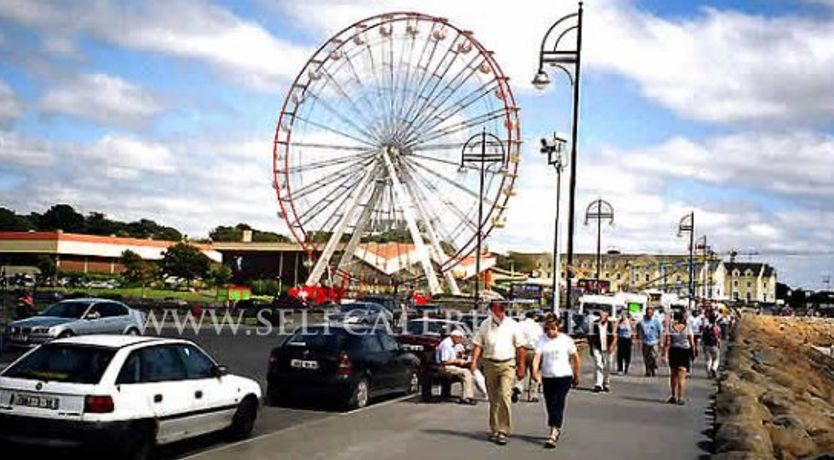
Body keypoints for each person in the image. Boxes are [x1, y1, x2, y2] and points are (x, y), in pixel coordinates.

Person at [470, 301, 526, 446]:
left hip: (507, 364)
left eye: (501, 311)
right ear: (491, 311)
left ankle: (503, 430)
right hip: (490, 363)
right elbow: (478, 344)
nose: (498, 314)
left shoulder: (513, 325)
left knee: (504, 395)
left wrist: (521, 367)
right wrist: (474, 362)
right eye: (495, 311)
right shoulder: (485, 325)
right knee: (493, 398)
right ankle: (494, 429)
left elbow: (520, 348)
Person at [532, 314, 580, 449]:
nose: (550, 332)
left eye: (553, 328)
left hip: (563, 376)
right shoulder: (541, 340)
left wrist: (577, 374)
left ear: (558, 327)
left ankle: (554, 432)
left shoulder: (566, 340)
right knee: (549, 403)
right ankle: (554, 425)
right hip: (548, 376)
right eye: (547, 329)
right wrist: (535, 372)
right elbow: (537, 357)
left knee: (558, 402)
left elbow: (575, 358)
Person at [435, 330, 477, 405]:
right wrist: (458, 361)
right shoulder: (447, 345)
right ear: (455, 337)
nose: (461, 340)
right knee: (466, 373)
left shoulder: (452, 344)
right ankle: (467, 397)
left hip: (449, 365)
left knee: (469, 371)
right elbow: (444, 361)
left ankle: (467, 395)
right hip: (444, 367)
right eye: (460, 338)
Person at [665, 310, 697, 404]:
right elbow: (691, 341)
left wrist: (665, 353)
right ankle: (680, 397)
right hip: (684, 351)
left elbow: (668, 341)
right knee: (682, 376)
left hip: (674, 350)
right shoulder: (687, 328)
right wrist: (694, 351)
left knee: (673, 374)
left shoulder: (671, 328)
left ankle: (673, 395)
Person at [514, 311, 543, 402]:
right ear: (534, 317)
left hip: (521, 349)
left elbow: (515, 337)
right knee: (534, 372)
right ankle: (533, 395)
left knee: (521, 370)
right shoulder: (538, 327)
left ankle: (518, 387)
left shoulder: (519, 325)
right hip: (534, 350)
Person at [589, 310, 615, 392]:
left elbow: (615, 336)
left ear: (607, 315)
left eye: (604, 314)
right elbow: (591, 336)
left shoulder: (611, 324)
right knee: (598, 364)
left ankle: (606, 383)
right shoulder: (595, 324)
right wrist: (591, 347)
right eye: (601, 315)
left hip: (608, 347)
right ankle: (598, 384)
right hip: (597, 346)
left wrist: (612, 346)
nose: (602, 316)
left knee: (608, 366)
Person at [637, 307, 663, 377]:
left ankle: (653, 368)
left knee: (653, 356)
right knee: (646, 357)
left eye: (650, 313)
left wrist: (661, 341)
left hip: (654, 341)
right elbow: (640, 332)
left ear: (653, 313)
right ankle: (648, 370)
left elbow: (660, 331)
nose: (649, 314)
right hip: (645, 342)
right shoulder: (642, 322)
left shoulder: (656, 321)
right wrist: (640, 341)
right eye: (648, 313)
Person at [701, 314, 723, 379]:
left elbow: (703, 336)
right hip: (714, 345)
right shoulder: (717, 328)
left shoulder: (706, 327)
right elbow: (719, 337)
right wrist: (719, 345)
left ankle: (709, 374)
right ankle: (714, 368)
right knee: (716, 359)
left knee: (708, 360)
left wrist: (702, 344)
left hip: (706, 345)